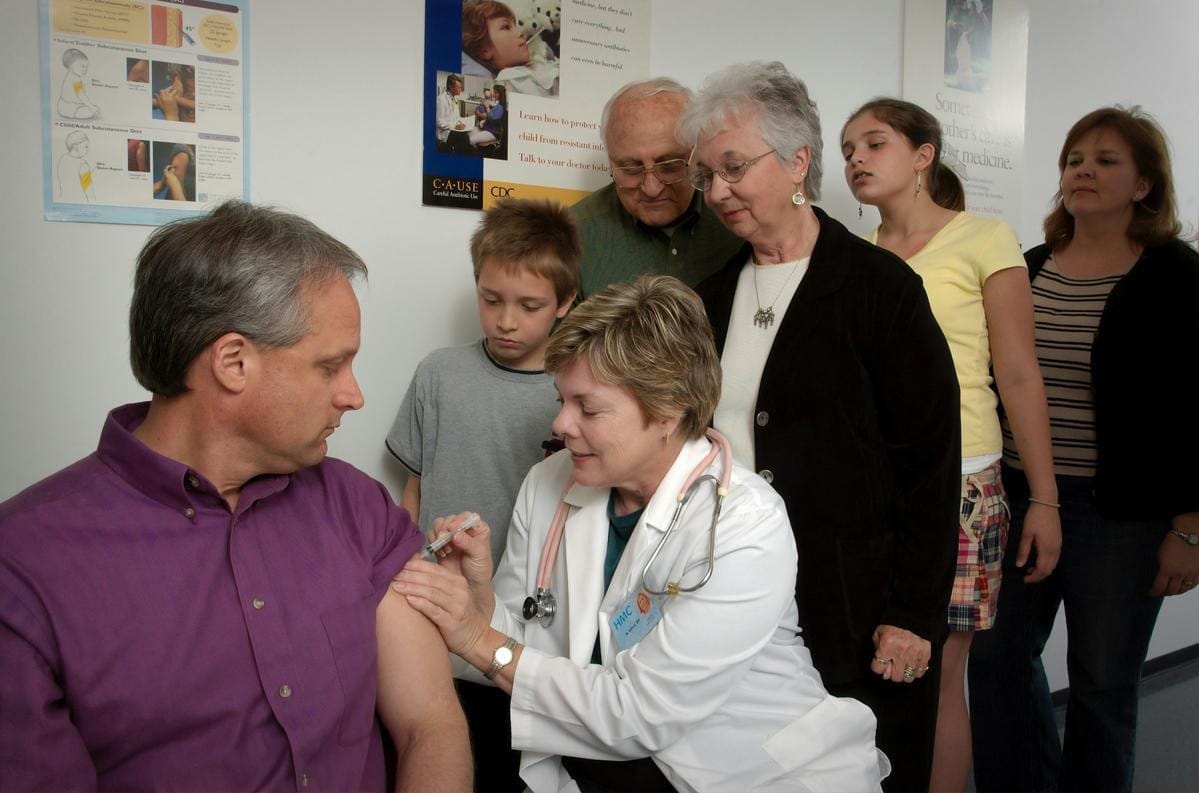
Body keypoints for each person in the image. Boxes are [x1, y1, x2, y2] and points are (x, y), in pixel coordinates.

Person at [0, 201, 471, 791]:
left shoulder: (358, 508)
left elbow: (430, 725)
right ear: (232, 362)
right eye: (331, 367)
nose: (354, 396)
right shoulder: (22, 569)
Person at [392, 275, 889, 793]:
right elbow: (523, 642)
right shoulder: (550, 481)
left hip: (753, 771)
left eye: (588, 407)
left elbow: (638, 714)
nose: (561, 423)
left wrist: (478, 637)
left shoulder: (745, 524)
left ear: (668, 411)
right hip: (605, 768)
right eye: (562, 398)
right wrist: (477, 601)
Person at [681, 62, 961, 792]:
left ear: (798, 159)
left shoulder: (878, 288)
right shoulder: (707, 299)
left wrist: (912, 614)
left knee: (861, 767)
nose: (716, 192)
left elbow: (931, 462)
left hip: (852, 601)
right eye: (706, 174)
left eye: (734, 167)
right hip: (730, 591)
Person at [968, 106, 1199, 793]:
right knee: (996, 659)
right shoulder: (1028, 266)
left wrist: (1188, 527)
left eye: (1104, 160)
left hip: (1122, 514)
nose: (1082, 172)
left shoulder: (1175, 274)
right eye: (1073, 160)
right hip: (1021, 495)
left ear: (1144, 186)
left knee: (1101, 680)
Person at [841, 97, 1060, 793]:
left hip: (960, 483)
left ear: (923, 154)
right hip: (870, 486)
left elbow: (1018, 372)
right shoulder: (851, 255)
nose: (855, 160)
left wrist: (1045, 500)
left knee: (937, 673)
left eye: (873, 144)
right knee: (860, 667)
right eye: (847, 149)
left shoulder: (983, 238)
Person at [386, 198, 579, 791]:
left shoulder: (573, 394)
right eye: (491, 300)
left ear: (566, 303)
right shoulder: (439, 374)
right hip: (429, 637)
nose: (505, 321)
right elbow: (413, 489)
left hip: (523, 645)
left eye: (529, 306)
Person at [569, 78, 743, 298]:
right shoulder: (572, 236)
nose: (651, 189)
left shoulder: (739, 214)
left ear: (697, 153)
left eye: (669, 167)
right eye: (631, 169)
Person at [461, 1, 558, 97]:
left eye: (515, 25)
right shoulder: (511, 78)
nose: (520, 32)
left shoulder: (530, 68)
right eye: (506, 27)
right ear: (485, 51)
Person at [56, 130, 96, 203]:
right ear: (75, 146)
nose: (87, 149)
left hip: (63, 200)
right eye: (86, 146)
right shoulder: (83, 165)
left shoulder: (63, 159)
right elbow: (89, 191)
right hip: (81, 202)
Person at [58, 48, 99, 119]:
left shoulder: (70, 75)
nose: (85, 69)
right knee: (91, 111)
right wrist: (91, 106)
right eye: (82, 66)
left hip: (63, 105)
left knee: (90, 108)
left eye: (86, 67)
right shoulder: (76, 79)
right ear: (71, 66)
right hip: (69, 107)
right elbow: (80, 94)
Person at [436, 73, 471, 155]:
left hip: (453, 129)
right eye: (459, 87)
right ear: (451, 87)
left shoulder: (454, 99)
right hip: (445, 133)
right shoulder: (441, 99)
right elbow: (439, 122)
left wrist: (460, 122)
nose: (461, 89)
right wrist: (455, 126)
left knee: (466, 135)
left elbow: (455, 117)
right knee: (464, 138)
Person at [470, 83, 506, 148]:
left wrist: (487, 107)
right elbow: (479, 109)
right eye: (493, 92)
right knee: (469, 134)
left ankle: (476, 154)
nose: (493, 94)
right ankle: (477, 151)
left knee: (471, 140)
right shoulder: (492, 102)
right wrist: (481, 108)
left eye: (496, 93)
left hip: (493, 132)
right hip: (485, 128)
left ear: (501, 95)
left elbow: (492, 118)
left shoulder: (500, 107)